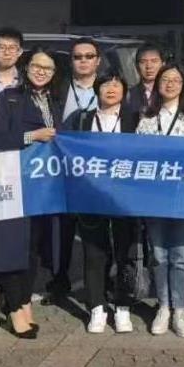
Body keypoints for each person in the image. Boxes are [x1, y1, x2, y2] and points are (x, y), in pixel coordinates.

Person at [0, 48, 60, 338]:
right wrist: (33, 136)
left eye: (48, 68)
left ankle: (24, 301)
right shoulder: (11, 97)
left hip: (44, 186)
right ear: (26, 67)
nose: (41, 71)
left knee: (33, 249)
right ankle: (14, 308)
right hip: (13, 183)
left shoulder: (54, 99)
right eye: (37, 66)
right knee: (9, 248)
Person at [138, 64, 184, 338]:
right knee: (158, 255)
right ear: (157, 84)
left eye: (176, 80)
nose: (170, 84)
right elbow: (137, 155)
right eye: (165, 79)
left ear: (183, 85)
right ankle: (163, 306)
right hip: (154, 195)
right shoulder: (147, 116)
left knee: (181, 255)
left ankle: (180, 309)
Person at [75, 71, 140, 335]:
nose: (111, 89)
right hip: (91, 195)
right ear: (97, 89)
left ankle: (122, 306)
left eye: (116, 85)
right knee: (94, 252)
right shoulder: (82, 119)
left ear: (124, 91)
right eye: (105, 85)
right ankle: (97, 307)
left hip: (125, 196)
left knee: (125, 252)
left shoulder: (135, 119)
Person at [47, 37, 102, 306]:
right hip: (63, 171)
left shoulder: (110, 87)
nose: (83, 61)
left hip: (96, 173)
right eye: (78, 57)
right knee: (61, 231)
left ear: (98, 61)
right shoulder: (58, 88)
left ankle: (99, 288)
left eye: (89, 56)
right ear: (71, 61)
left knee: (94, 232)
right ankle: (59, 281)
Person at [125, 42, 164, 114]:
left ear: (163, 64)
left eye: (154, 61)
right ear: (136, 66)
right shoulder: (128, 95)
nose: (149, 66)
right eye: (143, 62)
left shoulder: (171, 92)